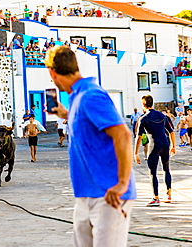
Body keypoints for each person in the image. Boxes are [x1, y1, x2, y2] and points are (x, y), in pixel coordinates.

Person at [45, 46, 136, 247]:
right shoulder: (78, 96)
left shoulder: (91, 95)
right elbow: (90, 125)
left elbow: (122, 135)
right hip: (85, 192)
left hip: (109, 193)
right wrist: (66, 115)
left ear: (52, 72)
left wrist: (122, 183)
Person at [135, 95, 175, 207]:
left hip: (154, 146)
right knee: (166, 169)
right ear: (152, 103)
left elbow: (139, 137)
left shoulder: (143, 118)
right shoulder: (162, 115)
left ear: (143, 104)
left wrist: (136, 153)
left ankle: (156, 198)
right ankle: (169, 195)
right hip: (165, 144)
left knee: (152, 172)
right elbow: (171, 132)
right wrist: (173, 146)